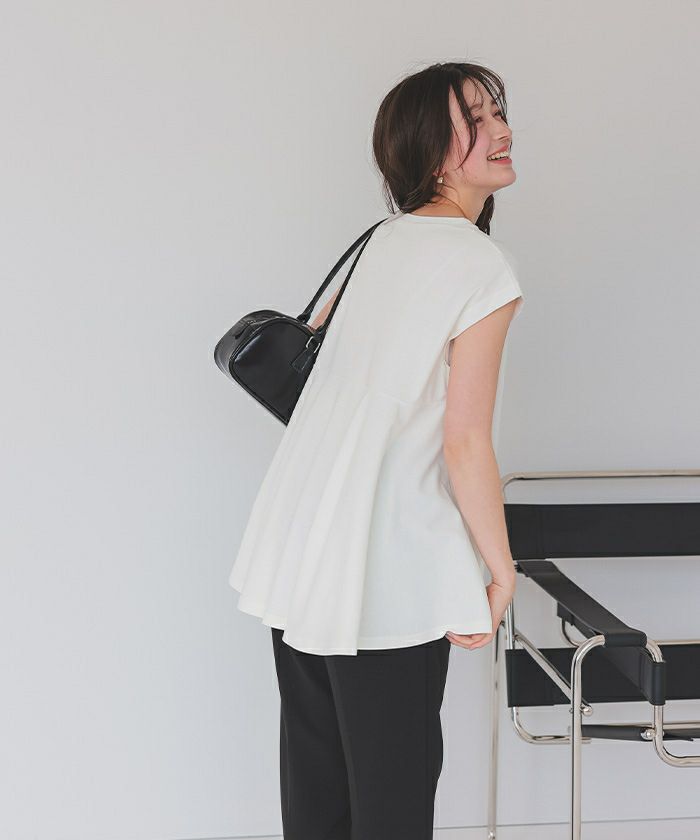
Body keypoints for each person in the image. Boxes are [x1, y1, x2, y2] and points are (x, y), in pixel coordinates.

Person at [229, 60, 525, 839]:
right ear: (430, 151)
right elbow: (465, 441)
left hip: (301, 552)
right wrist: (500, 570)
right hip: (384, 569)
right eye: (474, 119)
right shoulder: (480, 266)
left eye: (497, 111)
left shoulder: (381, 241)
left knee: (319, 797)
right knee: (392, 807)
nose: (500, 130)